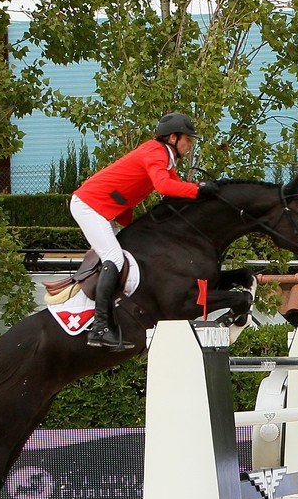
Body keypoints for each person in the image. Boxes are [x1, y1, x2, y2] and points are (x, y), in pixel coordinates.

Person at [70, 111, 213, 350]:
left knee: (126, 259)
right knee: (114, 258)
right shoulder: (156, 152)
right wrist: (199, 190)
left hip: (103, 210)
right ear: (172, 138)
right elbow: (164, 186)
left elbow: (173, 191)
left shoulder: (165, 157)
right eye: (188, 138)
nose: (191, 144)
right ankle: (100, 327)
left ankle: (111, 319)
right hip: (89, 206)